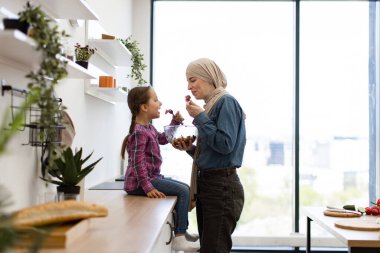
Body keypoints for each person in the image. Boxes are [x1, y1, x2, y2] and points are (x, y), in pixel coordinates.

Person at [173, 58, 246, 253]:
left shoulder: (226, 102)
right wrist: (190, 149)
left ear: (208, 77)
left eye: (193, 80)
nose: (189, 87)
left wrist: (200, 117)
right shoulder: (212, 105)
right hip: (211, 185)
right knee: (209, 248)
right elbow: (215, 154)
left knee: (213, 249)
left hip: (221, 187)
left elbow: (225, 145)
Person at [120, 85, 200, 252]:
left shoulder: (147, 128)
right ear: (144, 107)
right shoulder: (139, 132)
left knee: (185, 188)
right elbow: (137, 162)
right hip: (139, 184)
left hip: (150, 178)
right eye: (156, 100)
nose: (160, 103)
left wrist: (175, 122)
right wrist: (147, 187)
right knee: (184, 191)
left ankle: (181, 231)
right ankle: (179, 237)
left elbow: (163, 139)